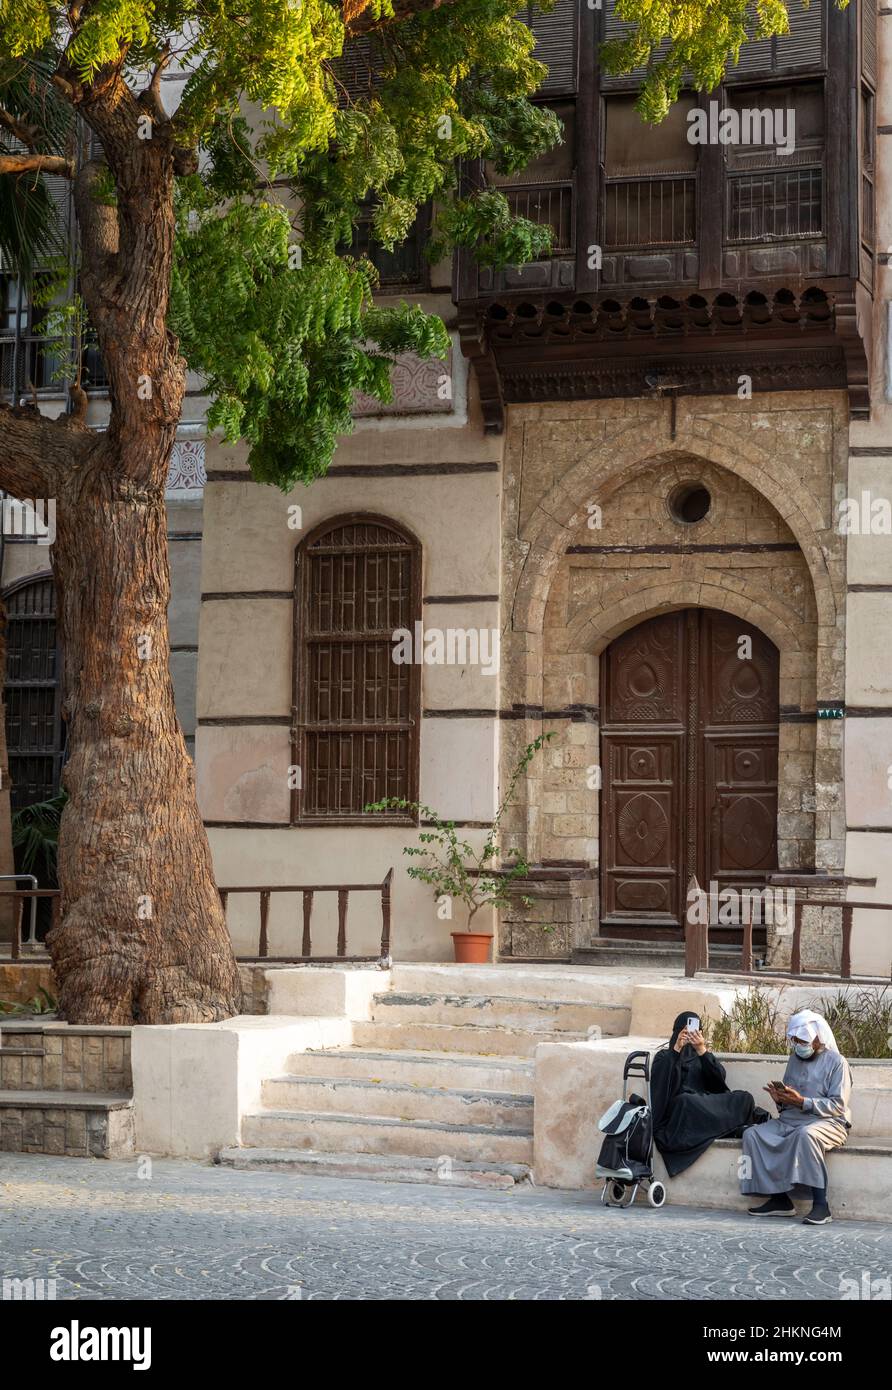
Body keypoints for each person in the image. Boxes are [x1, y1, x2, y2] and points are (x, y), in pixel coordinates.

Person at [741, 1008, 852, 1226]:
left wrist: (802, 1102)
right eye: (794, 1041)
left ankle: (821, 1205)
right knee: (752, 1134)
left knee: (806, 1135)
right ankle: (779, 1199)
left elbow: (838, 1105)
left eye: (802, 1041)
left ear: (817, 1038)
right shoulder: (794, 1059)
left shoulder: (838, 1063)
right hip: (790, 1119)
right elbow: (789, 1103)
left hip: (828, 1122)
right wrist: (780, 1099)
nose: (797, 1046)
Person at [650, 1011, 767, 1177]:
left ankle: (732, 1128)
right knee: (686, 1101)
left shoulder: (701, 1056)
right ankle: (733, 1128)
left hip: (705, 1104)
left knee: (744, 1098)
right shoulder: (664, 1056)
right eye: (686, 1030)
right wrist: (676, 1050)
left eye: (695, 1030)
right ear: (677, 1031)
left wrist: (702, 1051)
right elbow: (661, 1088)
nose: (690, 1034)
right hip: (682, 1109)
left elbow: (719, 1083)